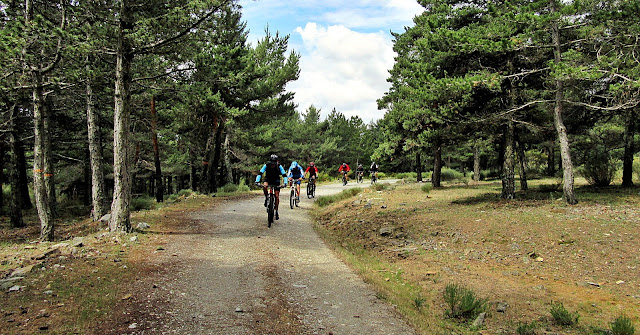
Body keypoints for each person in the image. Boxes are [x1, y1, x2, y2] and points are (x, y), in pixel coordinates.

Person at [255, 154, 288, 220]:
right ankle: (267, 197)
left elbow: (284, 175)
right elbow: (260, 173)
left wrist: (285, 183)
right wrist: (257, 181)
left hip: (276, 180)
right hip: (268, 179)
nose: (272, 165)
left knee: (276, 196)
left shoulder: (279, 166)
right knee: (265, 186)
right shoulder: (266, 165)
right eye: (272, 164)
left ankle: (276, 210)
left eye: (274, 164)